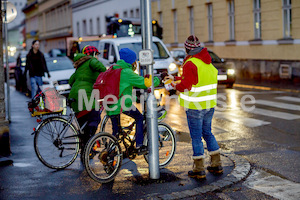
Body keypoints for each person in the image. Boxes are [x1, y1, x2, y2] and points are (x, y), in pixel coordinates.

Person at [165, 35, 223, 179]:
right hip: (209, 105)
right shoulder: (206, 63)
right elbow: (195, 79)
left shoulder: (190, 63)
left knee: (196, 137)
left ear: (187, 49)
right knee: (207, 133)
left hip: (195, 107)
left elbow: (187, 85)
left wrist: (173, 85)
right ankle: (216, 164)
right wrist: (176, 78)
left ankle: (199, 169)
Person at [107, 48, 160, 154]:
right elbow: (145, 83)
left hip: (110, 104)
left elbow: (122, 89)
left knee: (116, 133)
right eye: (134, 60)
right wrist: (158, 79)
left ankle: (110, 155)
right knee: (139, 117)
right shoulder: (127, 72)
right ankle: (139, 145)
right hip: (121, 104)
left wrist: (135, 98)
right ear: (131, 61)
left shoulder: (113, 68)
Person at [68, 45, 106, 150]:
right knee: (95, 116)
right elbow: (101, 68)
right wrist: (106, 73)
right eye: (96, 55)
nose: (97, 57)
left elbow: (71, 81)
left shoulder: (80, 66)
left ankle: (85, 150)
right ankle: (89, 143)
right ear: (92, 54)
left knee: (83, 126)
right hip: (84, 96)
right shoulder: (91, 61)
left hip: (74, 96)